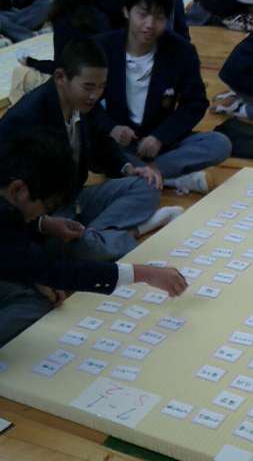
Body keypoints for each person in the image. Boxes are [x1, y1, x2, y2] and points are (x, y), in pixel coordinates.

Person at [0, 38, 183, 262]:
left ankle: (95, 237)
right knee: (71, 251)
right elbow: (8, 202)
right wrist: (41, 223)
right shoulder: (25, 118)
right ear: (60, 77)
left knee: (147, 183)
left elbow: (101, 145)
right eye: (88, 87)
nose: (95, 95)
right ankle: (128, 232)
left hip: (76, 197)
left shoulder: (81, 104)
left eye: (101, 87)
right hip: (42, 211)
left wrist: (128, 168)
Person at [0, 129, 188, 347]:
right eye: (46, 206)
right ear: (17, 189)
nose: (42, 214)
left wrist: (35, 270)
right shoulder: (6, 218)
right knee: (35, 302)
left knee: (39, 290)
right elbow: (53, 270)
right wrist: (144, 273)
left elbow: (22, 257)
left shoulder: (8, 204)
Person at [94, 0, 232, 195]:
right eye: (142, 15)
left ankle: (149, 174)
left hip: (161, 143)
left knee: (219, 143)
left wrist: (160, 137)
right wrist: (112, 128)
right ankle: (167, 177)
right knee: (95, 148)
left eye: (159, 17)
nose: (149, 24)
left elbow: (195, 103)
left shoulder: (181, 51)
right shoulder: (102, 48)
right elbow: (85, 103)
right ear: (126, 11)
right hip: (118, 142)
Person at [18, 0, 111, 73]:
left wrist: (32, 63)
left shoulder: (64, 21)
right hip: (105, 74)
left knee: (20, 73)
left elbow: (60, 67)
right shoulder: (102, 14)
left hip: (82, 78)